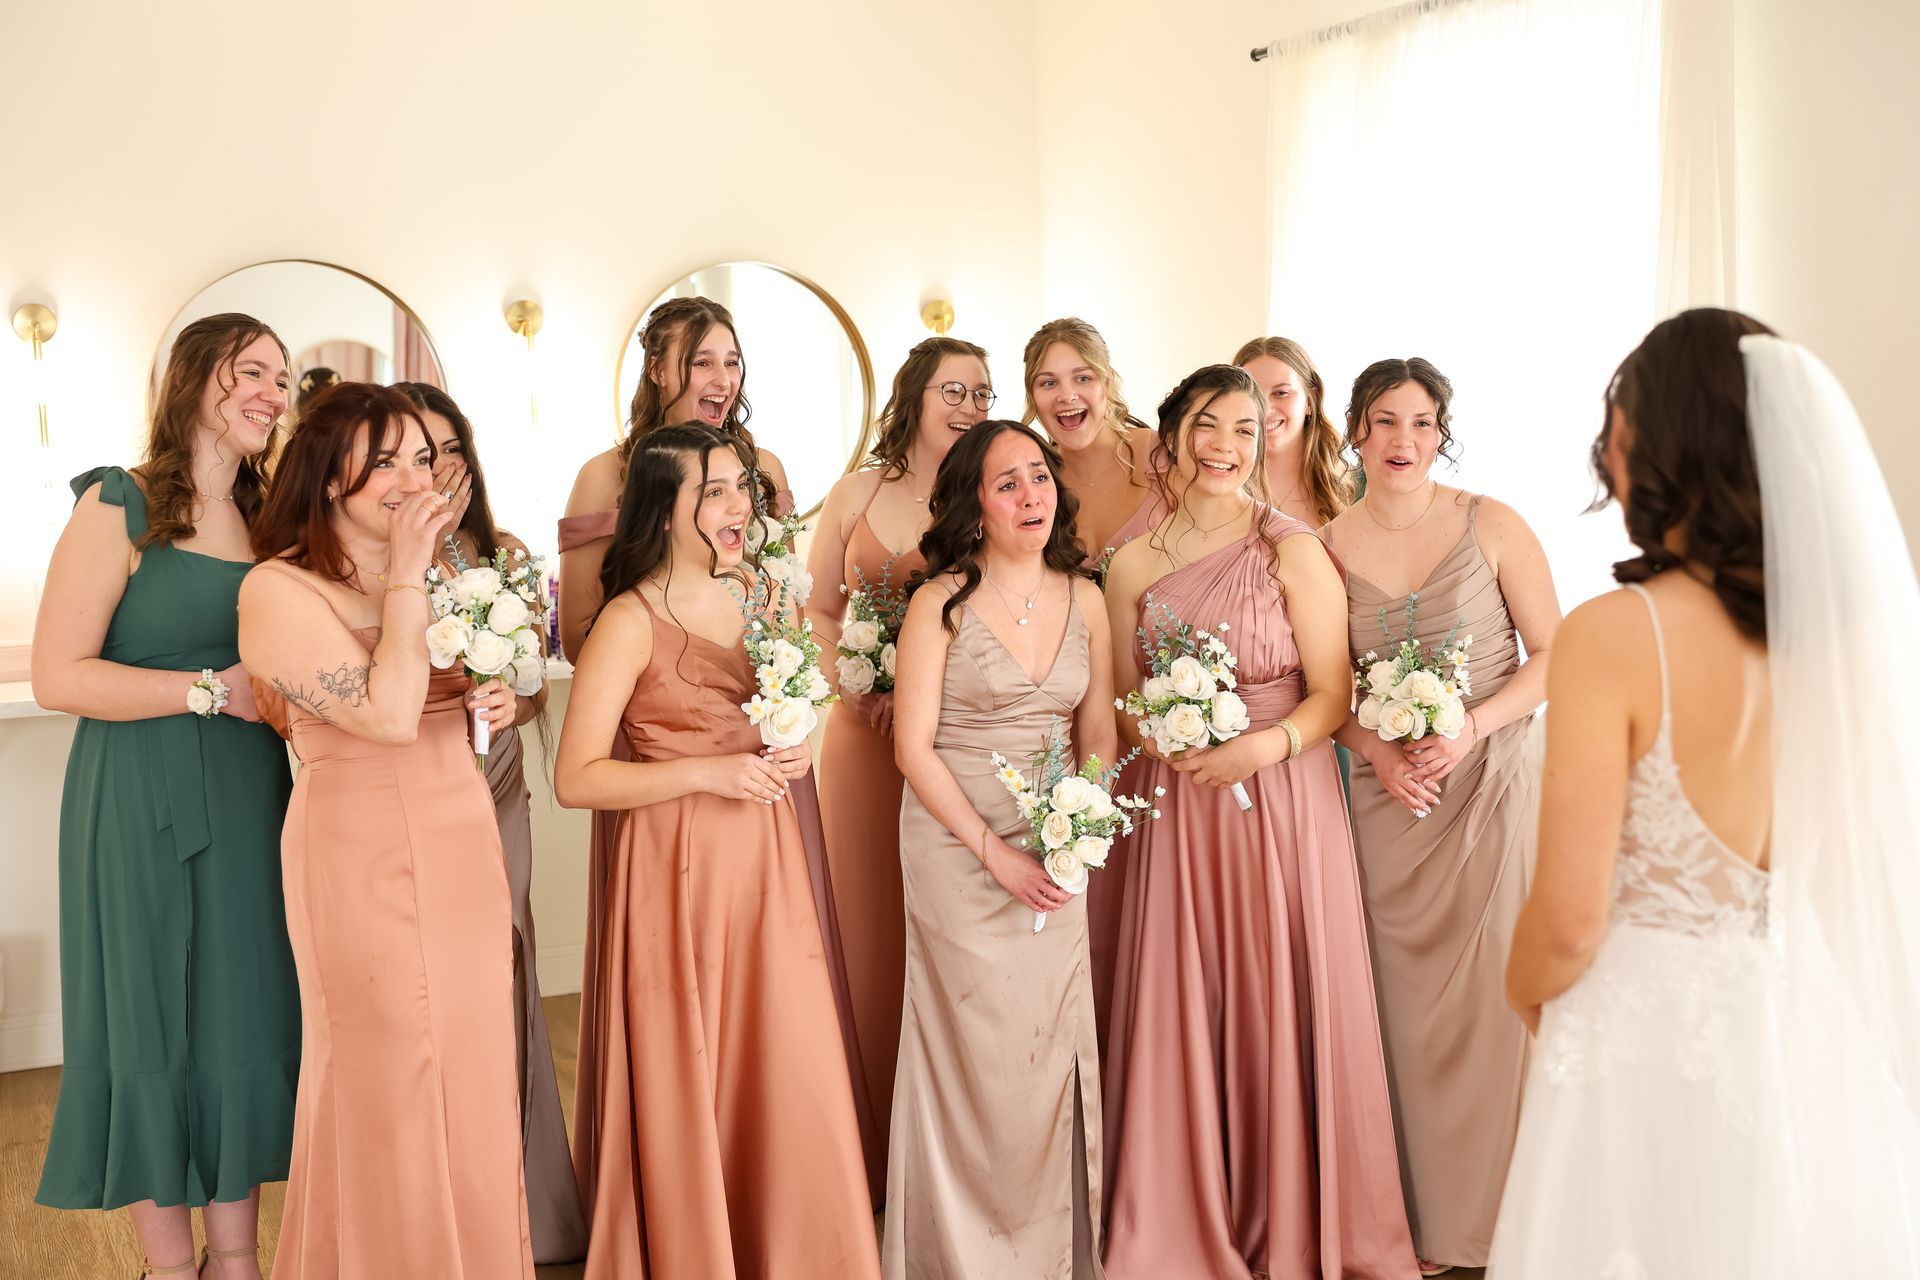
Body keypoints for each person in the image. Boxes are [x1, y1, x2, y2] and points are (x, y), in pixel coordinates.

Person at [1492, 309, 1920, 1276]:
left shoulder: (1618, 632)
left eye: (1621, 417)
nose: (1609, 441)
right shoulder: (1843, 638)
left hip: (1639, 1044)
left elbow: (1568, 920)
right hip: (1797, 1026)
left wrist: (1520, 997)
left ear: (1660, 436)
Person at [1101, 365, 1416, 1279]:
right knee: (1190, 992)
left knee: (1284, 985)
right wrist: (1162, 732)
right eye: (1207, 425)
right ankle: (1183, 1211)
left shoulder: (1292, 548)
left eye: (1246, 428)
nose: (1226, 446)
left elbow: (1332, 695)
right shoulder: (1132, 564)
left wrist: (1260, 750)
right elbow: (1122, 696)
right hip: (1181, 808)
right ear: (1173, 436)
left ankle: (1297, 1216)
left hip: (1282, 800)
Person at [554, 423, 879, 1280]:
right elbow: (576, 779)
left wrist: (797, 740)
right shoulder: (630, 620)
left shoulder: (766, 602)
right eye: (716, 491)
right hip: (678, 863)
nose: (740, 505)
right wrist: (710, 772)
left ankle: (796, 1249)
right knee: (692, 1059)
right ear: (665, 510)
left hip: (769, 857)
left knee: (786, 1057)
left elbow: (795, 707)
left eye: (742, 487)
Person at [238, 382, 533, 1278]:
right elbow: (390, 712)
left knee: (474, 1070)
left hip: (460, 836)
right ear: (331, 481)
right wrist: (410, 572)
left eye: (421, 456)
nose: (416, 477)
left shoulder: (447, 574)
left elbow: (476, 695)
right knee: (386, 1072)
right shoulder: (276, 588)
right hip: (355, 851)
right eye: (386, 462)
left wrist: (502, 698)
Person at [32, 313, 300, 1280]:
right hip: (134, 795)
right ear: (197, 380)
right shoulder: (120, 503)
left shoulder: (276, 522)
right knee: (147, 1014)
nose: (275, 392)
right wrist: (202, 693)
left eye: (283, 376)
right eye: (254, 372)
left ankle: (237, 1261)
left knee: (244, 1010)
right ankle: (169, 1268)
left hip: (250, 792)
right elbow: (57, 674)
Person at [1320, 358, 1560, 1274]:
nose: (1404, 442)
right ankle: (1412, 1226)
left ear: (1441, 432)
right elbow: (1315, 687)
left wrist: (1475, 724)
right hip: (1386, 811)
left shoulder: (1490, 523)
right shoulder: (1324, 546)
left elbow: (1554, 652)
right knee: (1397, 1016)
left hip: (1491, 793)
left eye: (1422, 424)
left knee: (1499, 1009)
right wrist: (1374, 749)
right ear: (1356, 431)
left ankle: (1510, 1224)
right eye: (1385, 422)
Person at [886, 420, 1115, 1278]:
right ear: (974, 504)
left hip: (1057, 846)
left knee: (1046, 1047)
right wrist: (995, 852)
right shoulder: (937, 600)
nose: (1031, 495)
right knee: (971, 1050)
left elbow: (1097, 729)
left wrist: (1078, 829)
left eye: (1039, 476)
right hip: (958, 844)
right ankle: (958, 1255)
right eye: (1006, 483)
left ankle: (1049, 1251)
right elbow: (912, 751)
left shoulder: (1085, 595)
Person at [393, 380, 587, 1264]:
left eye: (449, 448)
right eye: (420, 452)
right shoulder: (373, 559)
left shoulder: (503, 553)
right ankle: (438, 1206)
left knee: (506, 968)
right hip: (417, 784)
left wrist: (515, 696)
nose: (440, 466)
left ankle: (527, 1206)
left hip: (499, 782)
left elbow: (539, 677)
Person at [802, 334, 991, 1196]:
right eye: (955, 389)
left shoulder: (986, 496)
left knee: (939, 926)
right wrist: (853, 682)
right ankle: (854, 1148)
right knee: (861, 922)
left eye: (984, 395)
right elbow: (821, 609)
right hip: (854, 739)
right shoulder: (855, 492)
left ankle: (938, 1151)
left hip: (947, 741)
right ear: (915, 394)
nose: (970, 406)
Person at [1234, 336, 1352, 527]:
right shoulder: (1217, 482)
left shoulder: (1353, 484)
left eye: (1281, 393)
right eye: (1253, 394)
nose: (1265, 409)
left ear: (1311, 398)